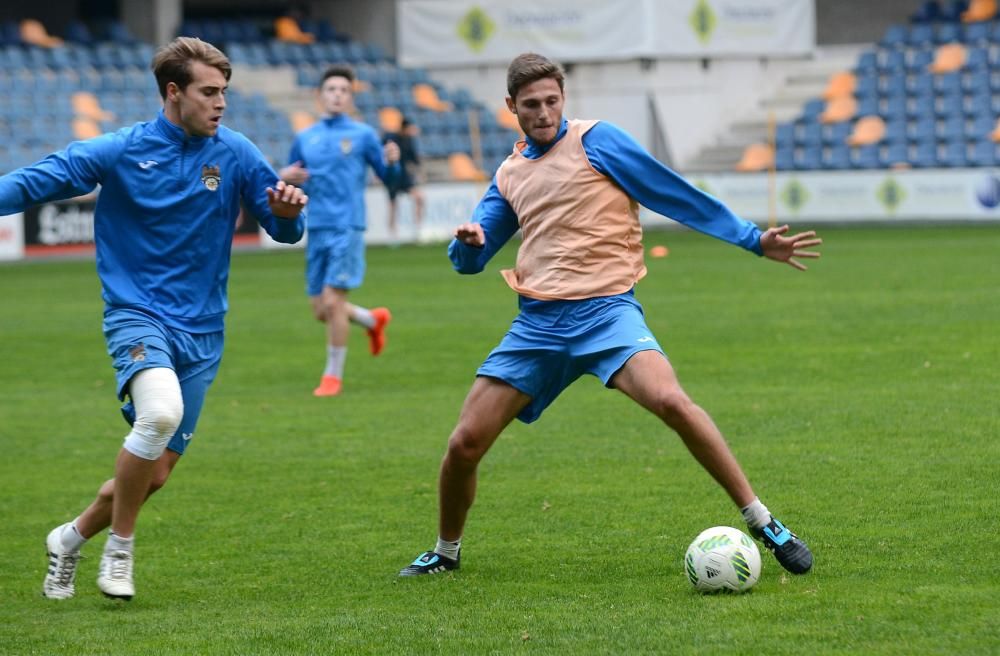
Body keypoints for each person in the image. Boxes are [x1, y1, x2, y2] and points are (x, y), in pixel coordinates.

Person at [399, 53, 821, 577]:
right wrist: (466, 245)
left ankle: (763, 521)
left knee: (672, 400)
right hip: (537, 326)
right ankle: (445, 551)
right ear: (511, 106)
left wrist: (753, 240)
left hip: (607, 314)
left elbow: (675, 194)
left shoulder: (599, 142)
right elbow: (471, 259)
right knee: (463, 444)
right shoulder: (510, 174)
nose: (544, 112)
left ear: (563, 99)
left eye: (552, 101)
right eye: (531, 105)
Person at [0, 36, 308, 601]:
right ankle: (120, 551)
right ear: (174, 93)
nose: (221, 103)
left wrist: (288, 215)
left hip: (205, 330)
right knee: (160, 413)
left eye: (225, 93)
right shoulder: (121, 150)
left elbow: (282, 227)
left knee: (156, 472)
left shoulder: (235, 152)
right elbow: (35, 180)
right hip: (136, 316)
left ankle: (67, 539)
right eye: (209, 92)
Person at [279, 65, 400, 398]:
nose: (337, 95)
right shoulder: (305, 138)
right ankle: (372, 321)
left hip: (347, 226)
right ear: (320, 96)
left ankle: (332, 376)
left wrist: (392, 163)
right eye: (331, 89)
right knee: (321, 310)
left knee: (333, 302)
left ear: (350, 97)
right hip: (316, 227)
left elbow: (390, 179)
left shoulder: (363, 135)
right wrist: (286, 175)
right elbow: (288, 178)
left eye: (344, 90)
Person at [382, 117, 425, 241]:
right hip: (392, 177)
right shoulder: (392, 138)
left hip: (404, 177)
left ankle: (417, 229)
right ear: (404, 128)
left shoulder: (409, 141)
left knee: (419, 198)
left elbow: (414, 158)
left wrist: (419, 169)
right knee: (393, 206)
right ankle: (392, 235)